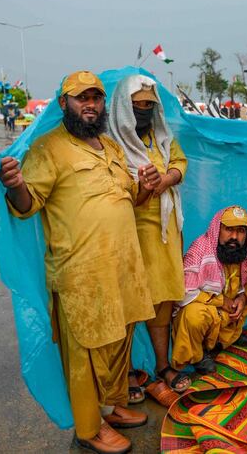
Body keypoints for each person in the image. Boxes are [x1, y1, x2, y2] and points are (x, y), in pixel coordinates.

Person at [0, 70, 156, 454]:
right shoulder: (48, 148)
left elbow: (125, 198)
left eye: (96, 98)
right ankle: (89, 428)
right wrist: (16, 185)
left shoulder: (112, 147)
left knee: (119, 343)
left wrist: (143, 189)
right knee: (85, 352)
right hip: (81, 273)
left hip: (123, 269)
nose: (90, 104)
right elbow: (28, 205)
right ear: (63, 104)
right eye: (81, 98)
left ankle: (114, 407)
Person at [107, 75, 189, 403]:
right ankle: (126, 372)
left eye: (148, 105)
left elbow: (180, 163)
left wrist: (166, 179)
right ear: (123, 109)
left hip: (166, 232)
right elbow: (118, 195)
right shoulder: (110, 145)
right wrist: (144, 187)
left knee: (164, 299)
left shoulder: (161, 136)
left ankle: (162, 365)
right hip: (130, 233)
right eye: (136, 105)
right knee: (129, 303)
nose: (142, 111)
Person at [170, 206, 247, 375]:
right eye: (229, 229)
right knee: (194, 314)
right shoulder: (200, 249)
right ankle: (198, 355)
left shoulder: (241, 254)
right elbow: (183, 294)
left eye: (240, 231)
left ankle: (231, 335)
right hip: (206, 310)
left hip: (228, 311)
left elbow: (241, 285)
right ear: (218, 229)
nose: (234, 237)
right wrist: (221, 301)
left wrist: (242, 298)